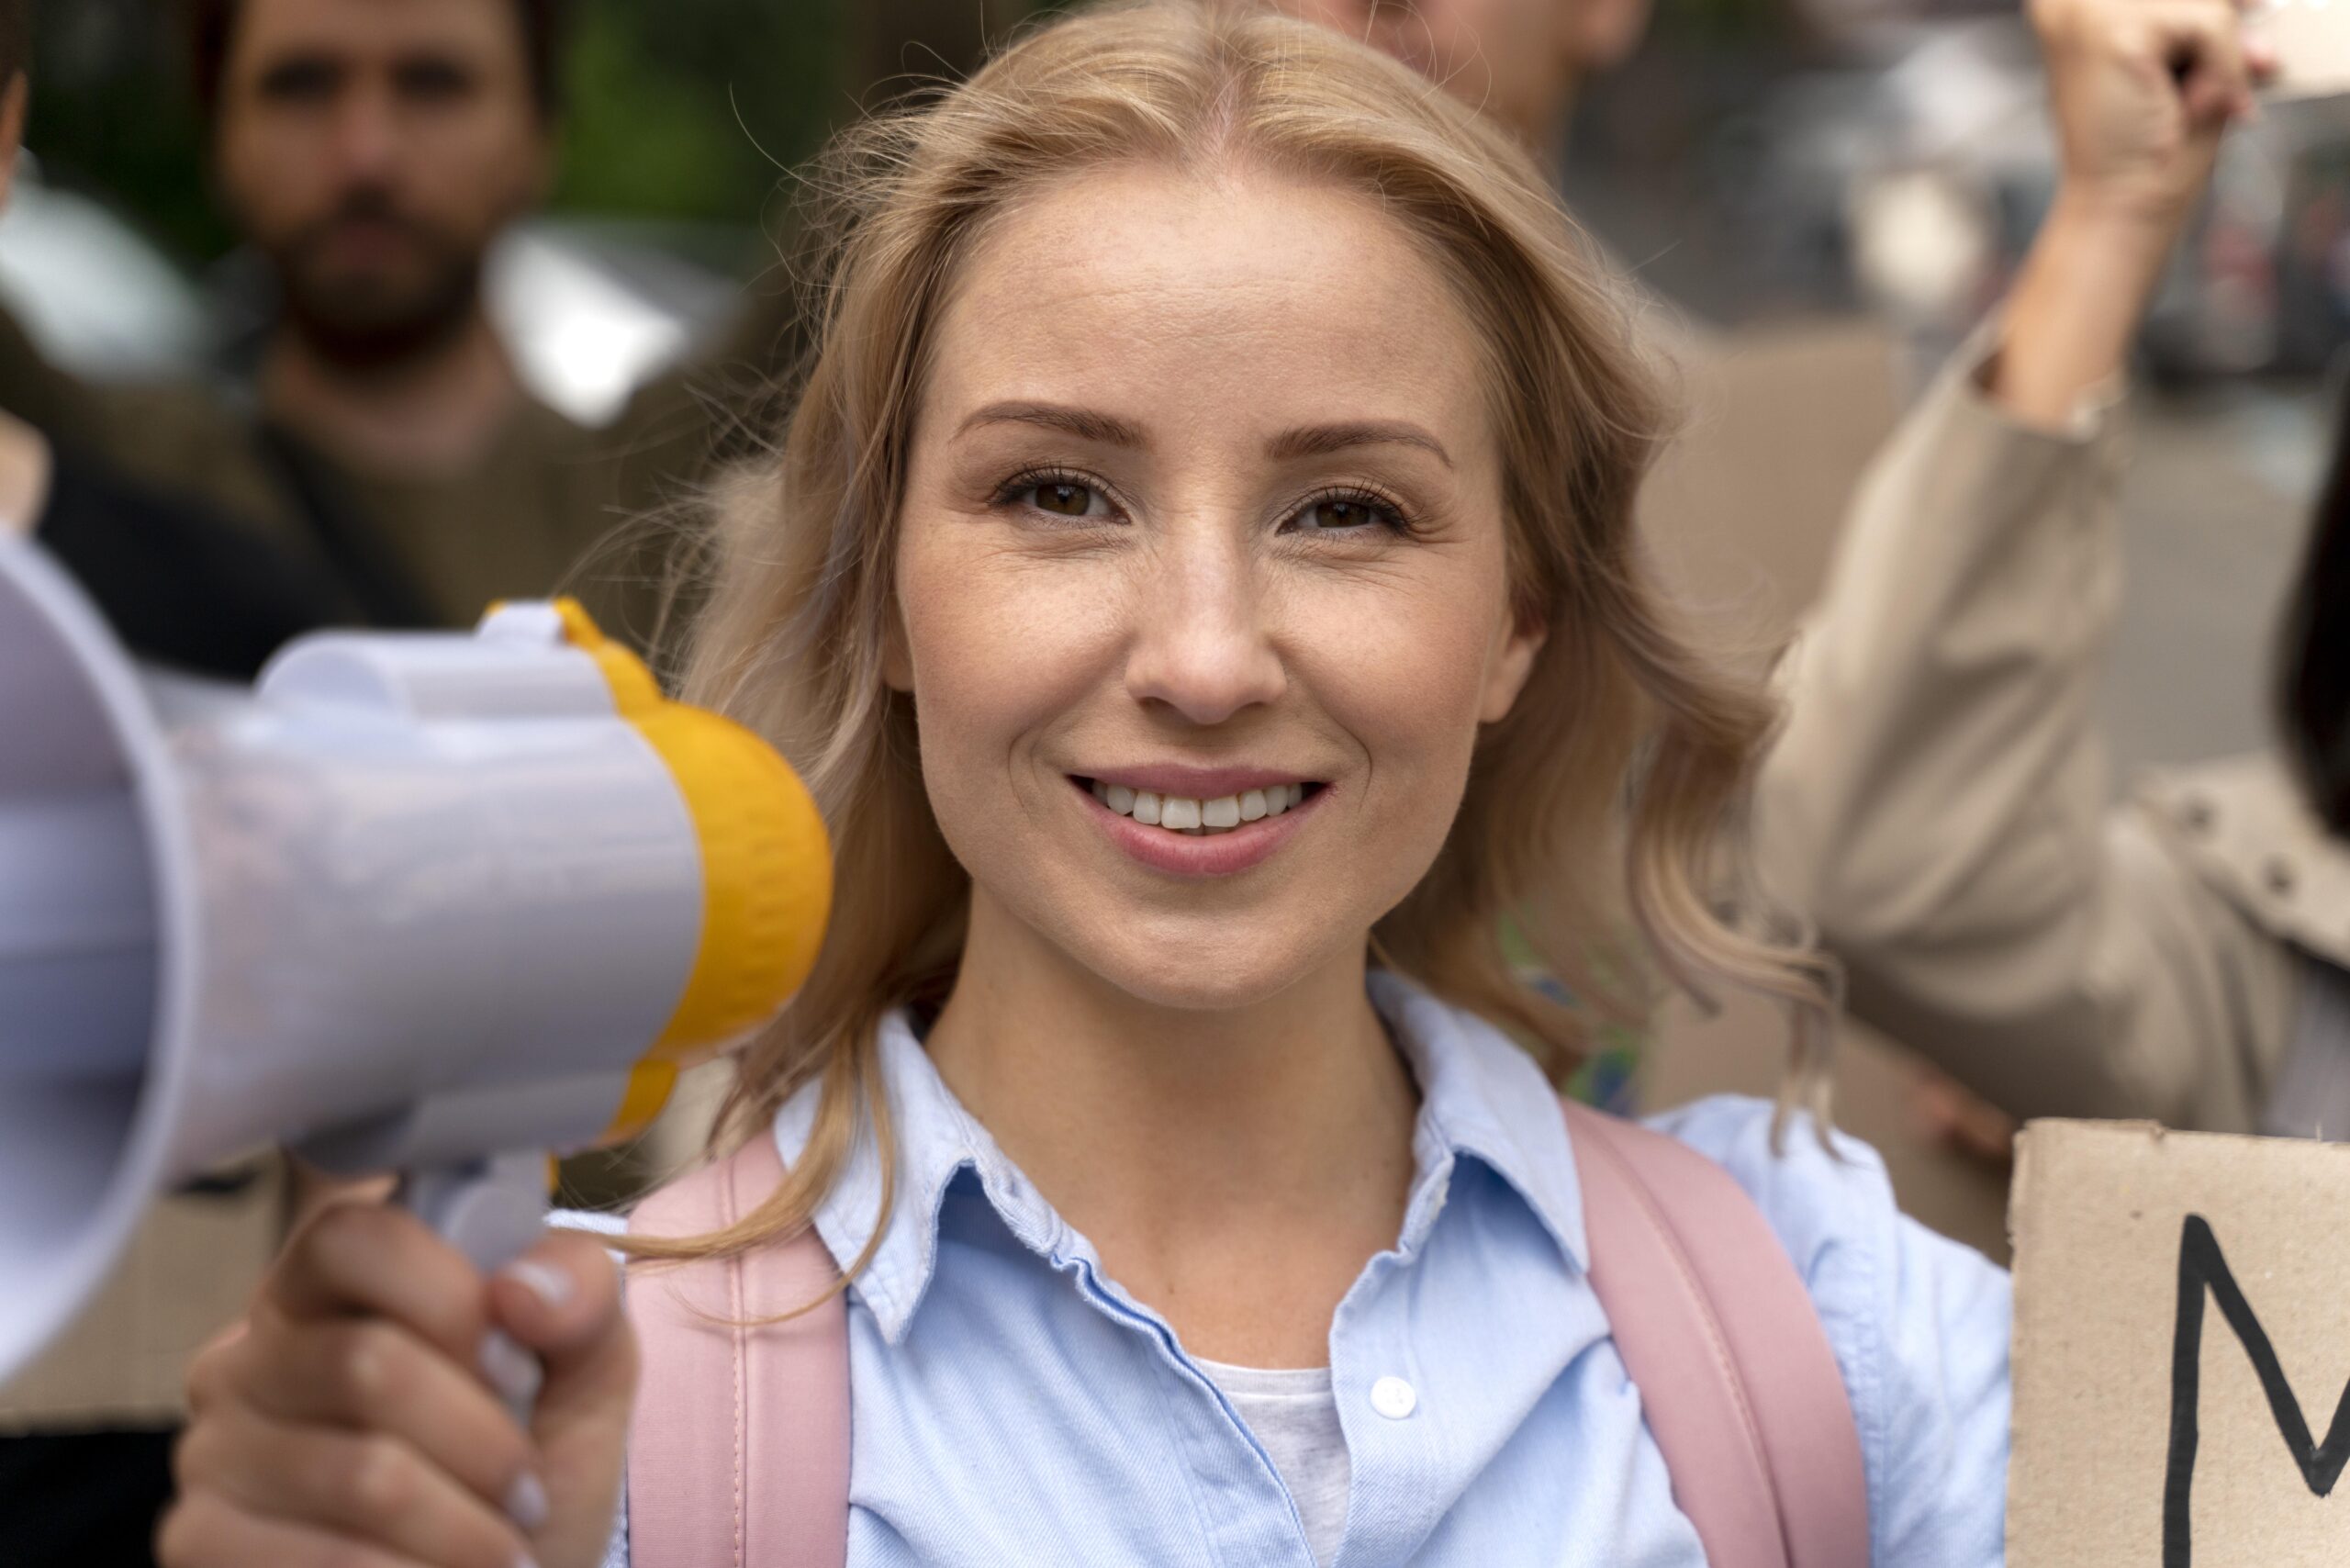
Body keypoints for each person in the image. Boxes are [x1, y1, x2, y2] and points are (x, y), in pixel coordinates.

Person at [157, 8, 2011, 1567]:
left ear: (1515, 614)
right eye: (1057, 492)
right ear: (880, 581)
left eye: (1344, 509)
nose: (1202, 658)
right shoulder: (556, 1423)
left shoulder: (1836, 1325)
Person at [0, 0, 787, 653]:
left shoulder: (679, 492)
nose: (365, 154)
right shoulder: (107, 462)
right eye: (301, 85)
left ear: (541, 132)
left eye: (432, 83)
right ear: (218, 129)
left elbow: (902, 127)